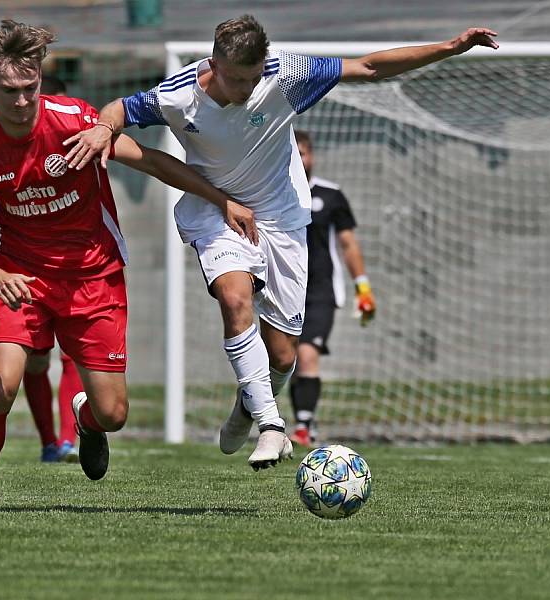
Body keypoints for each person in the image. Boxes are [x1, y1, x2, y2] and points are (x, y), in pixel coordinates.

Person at [64, 15, 498, 470]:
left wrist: (450, 47)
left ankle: (246, 406)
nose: (246, 89)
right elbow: (120, 108)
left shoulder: (285, 74)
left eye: (253, 78)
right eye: (235, 78)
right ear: (214, 63)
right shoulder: (181, 94)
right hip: (217, 212)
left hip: (283, 218)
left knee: (284, 355)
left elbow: (369, 68)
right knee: (235, 299)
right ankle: (272, 425)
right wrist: (102, 127)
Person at [0, 20, 257, 512]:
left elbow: (151, 160)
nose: (22, 101)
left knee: (113, 413)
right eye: (9, 90)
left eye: (30, 88)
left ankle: (86, 422)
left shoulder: (74, 121)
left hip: (94, 277)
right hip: (20, 277)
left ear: (40, 82)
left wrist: (221, 201)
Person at [0, 74, 81, 463]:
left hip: (71, 267)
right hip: (24, 269)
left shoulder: (73, 139)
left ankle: (69, 441)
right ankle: (50, 443)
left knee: (71, 355)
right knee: (35, 361)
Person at [289, 130, 375, 448]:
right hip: (284, 290)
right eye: (293, 152)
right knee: (288, 360)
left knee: (308, 354)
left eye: (304, 152)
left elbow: (348, 243)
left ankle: (303, 427)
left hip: (322, 293)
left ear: (312, 156)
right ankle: (299, 424)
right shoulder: (272, 193)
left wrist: (363, 288)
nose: (300, 158)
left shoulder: (331, 195)